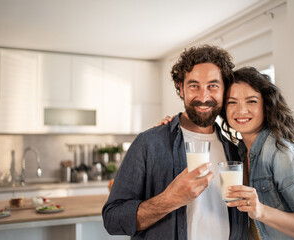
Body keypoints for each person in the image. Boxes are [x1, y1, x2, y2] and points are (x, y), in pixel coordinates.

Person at [102, 45, 248, 240]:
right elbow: (112, 219)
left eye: (213, 86)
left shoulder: (234, 150)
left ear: (224, 90)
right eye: (194, 85)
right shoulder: (149, 143)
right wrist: (169, 200)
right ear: (181, 88)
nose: (204, 97)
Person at [221, 66, 294, 239]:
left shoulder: (280, 153)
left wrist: (261, 210)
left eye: (251, 101)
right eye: (232, 102)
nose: (241, 110)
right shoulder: (239, 152)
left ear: (266, 105)